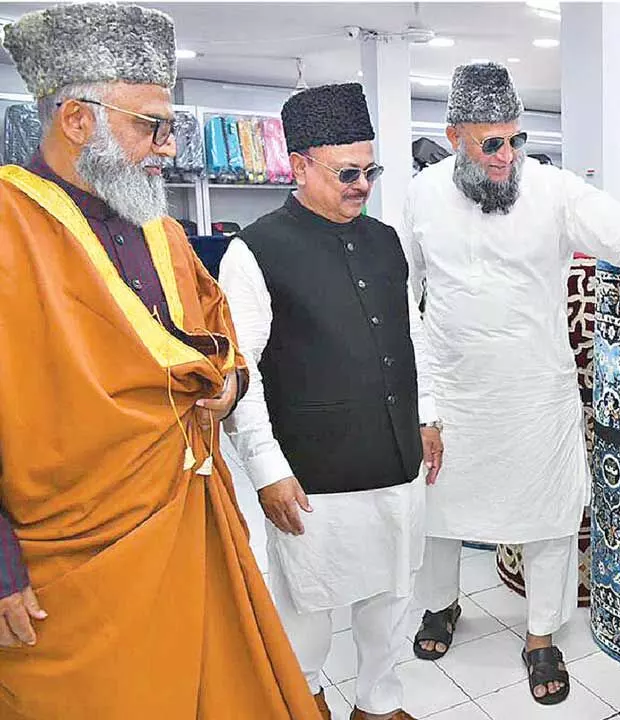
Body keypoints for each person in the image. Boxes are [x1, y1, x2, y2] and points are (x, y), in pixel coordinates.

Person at [403, 62, 620, 706]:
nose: (507, 156)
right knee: (439, 513)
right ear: (455, 135)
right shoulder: (421, 196)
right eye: (491, 143)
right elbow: (406, 299)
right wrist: (423, 403)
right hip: (454, 392)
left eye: (516, 139)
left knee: (547, 517)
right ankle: (440, 606)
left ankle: (542, 636)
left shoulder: (553, 191)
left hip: (536, 395)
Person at [0, 4, 318, 718]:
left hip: (190, 517)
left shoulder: (163, 228)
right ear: (78, 121)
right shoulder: (7, 227)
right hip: (68, 569)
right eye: (152, 125)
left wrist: (229, 387)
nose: (169, 147)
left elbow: (220, 344)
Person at [221, 83, 441, 720]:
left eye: (371, 170)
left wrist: (429, 415)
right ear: (300, 166)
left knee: (392, 593)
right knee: (308, 604)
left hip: (396, 455)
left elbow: (412, 334)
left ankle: (378, 702)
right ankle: (302, 699)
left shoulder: (384, 240)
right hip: (311, 472)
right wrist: (266, 472)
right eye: (348, 172)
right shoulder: (255, 250)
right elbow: (244, 373)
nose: (363, 185)